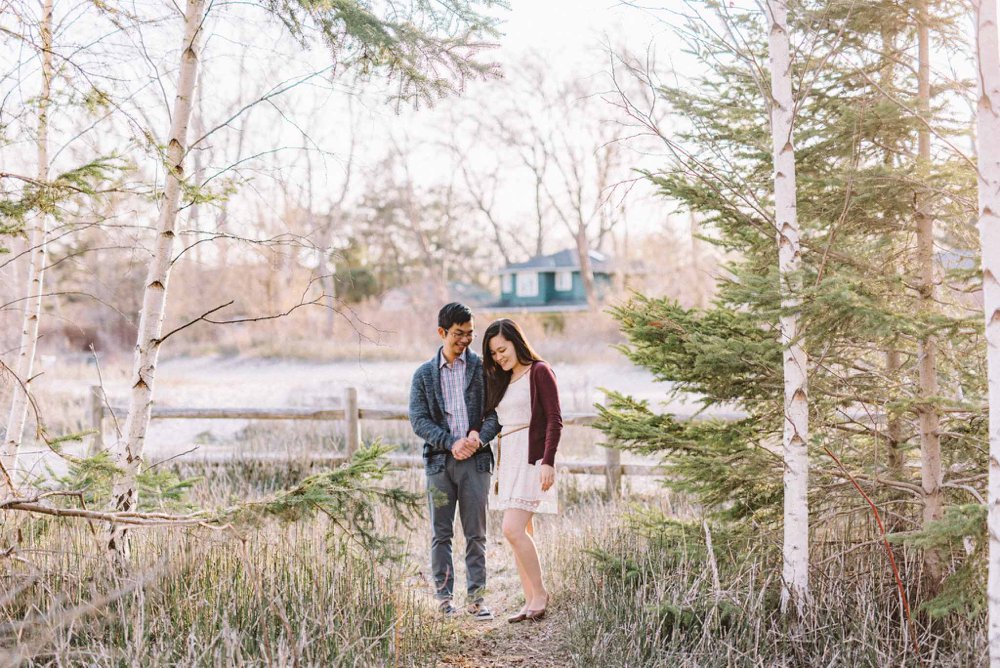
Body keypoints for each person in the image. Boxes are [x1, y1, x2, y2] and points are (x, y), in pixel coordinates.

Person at [409, 302, 499, 621]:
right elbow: (418, 420)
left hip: (476, 463)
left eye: (470, 334)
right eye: (459, 334)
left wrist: (477, 436)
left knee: (476, 534)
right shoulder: (422, 375)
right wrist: (451, 442)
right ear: (442, 332)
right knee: (441, 533)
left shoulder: (483, 369)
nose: (465, 340)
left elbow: (495, 414)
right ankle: (445, 600)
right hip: (438, 465)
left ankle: (477, 600)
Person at [482, 318, 562, 623]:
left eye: (502, 349)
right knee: (519, 533)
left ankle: (540, 594)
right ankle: (529, 599)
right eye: (494, 354)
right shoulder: (502, 380)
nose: (499, 357)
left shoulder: (540, 371)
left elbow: (554, 419)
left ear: (516, 341)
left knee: (511, 529)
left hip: (532, 460)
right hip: (508, 460)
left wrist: (548, 461)